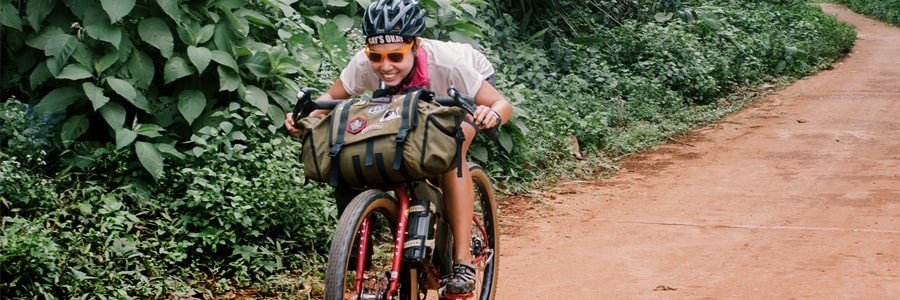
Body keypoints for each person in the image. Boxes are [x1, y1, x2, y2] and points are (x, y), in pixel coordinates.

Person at [284, 0, 512, 294]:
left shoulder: (447, 64)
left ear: (415, 45)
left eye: (395, 55)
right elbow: (330, 99)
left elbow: (502, 103)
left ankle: (462, 261)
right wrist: (305, 118)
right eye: (375, 57)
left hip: (455, 94)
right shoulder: (367, 64)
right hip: (403, 101)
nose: (385, 66)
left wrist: (490, 114)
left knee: (452, 151)